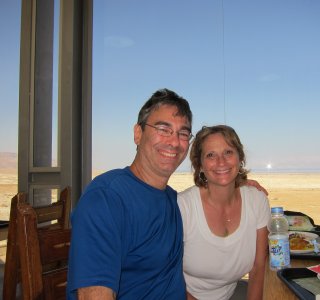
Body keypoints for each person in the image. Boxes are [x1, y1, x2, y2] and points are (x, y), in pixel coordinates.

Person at [67, 88, 193, 299]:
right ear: (138, 133)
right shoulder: (106, 200)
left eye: (183, 133)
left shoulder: (171, 198)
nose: (174, 142)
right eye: (163, 129)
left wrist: (240, 184)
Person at [178, 125, 271, 300]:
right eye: (211, 155)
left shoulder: (256, 200)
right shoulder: (183, 207)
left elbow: (258, 268)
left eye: (228, 152)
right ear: (200, 165)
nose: (221, 162)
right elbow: (164, 277)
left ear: (240, 158)